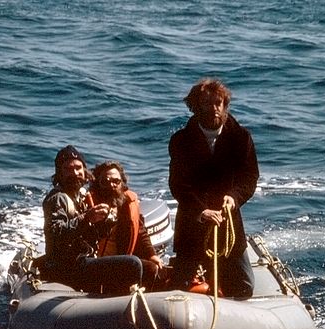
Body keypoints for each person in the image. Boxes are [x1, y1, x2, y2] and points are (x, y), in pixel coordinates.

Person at [168, 78, 259, 298]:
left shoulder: (240, 137)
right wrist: (201, 211)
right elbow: (178, 184)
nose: (214, 109)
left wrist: (233, 197)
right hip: (192, 222)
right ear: (195, 107)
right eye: (207, 104)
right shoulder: (181, 141)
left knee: (244, 286)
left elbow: (249, 176)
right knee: (179, 287)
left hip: (228, 224)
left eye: (218, 103)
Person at [40, 145, 143, 295]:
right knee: (132, 264)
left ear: (84, 170)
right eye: (68, 169)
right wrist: (87, 217)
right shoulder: (58, 198)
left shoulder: (80, 195)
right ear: (59, 174)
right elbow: (55, 232)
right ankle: (124, 307)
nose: (75, 173)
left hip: (81, 260)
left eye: (78, 168)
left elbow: (88, 233)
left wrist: (105, 222)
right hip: (67, 267)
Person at [89, 161, 164, 291]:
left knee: (151, 268)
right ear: (97, 184)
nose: (111, 185)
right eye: (105, 182)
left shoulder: (127, 205)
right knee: (132, 265)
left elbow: (140, 231)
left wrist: (152, 254)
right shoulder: (89, 205)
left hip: (121, 259)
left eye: (116, 181)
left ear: (122, 184)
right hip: (95, 262)